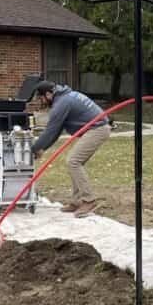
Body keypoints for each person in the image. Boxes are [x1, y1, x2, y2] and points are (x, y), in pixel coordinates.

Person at [30, 81, 111, 216]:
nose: (42, 102)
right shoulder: (66, 96)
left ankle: (89, 200)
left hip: (97, 129)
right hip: (96, 128)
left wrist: (34, 148)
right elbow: (56, 131)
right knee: (75, 163)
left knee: (73, 162)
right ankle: (76, 201)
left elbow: (50, 131)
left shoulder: (61, 104)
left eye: (41, 98)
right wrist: (42, 148)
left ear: (48, 94)